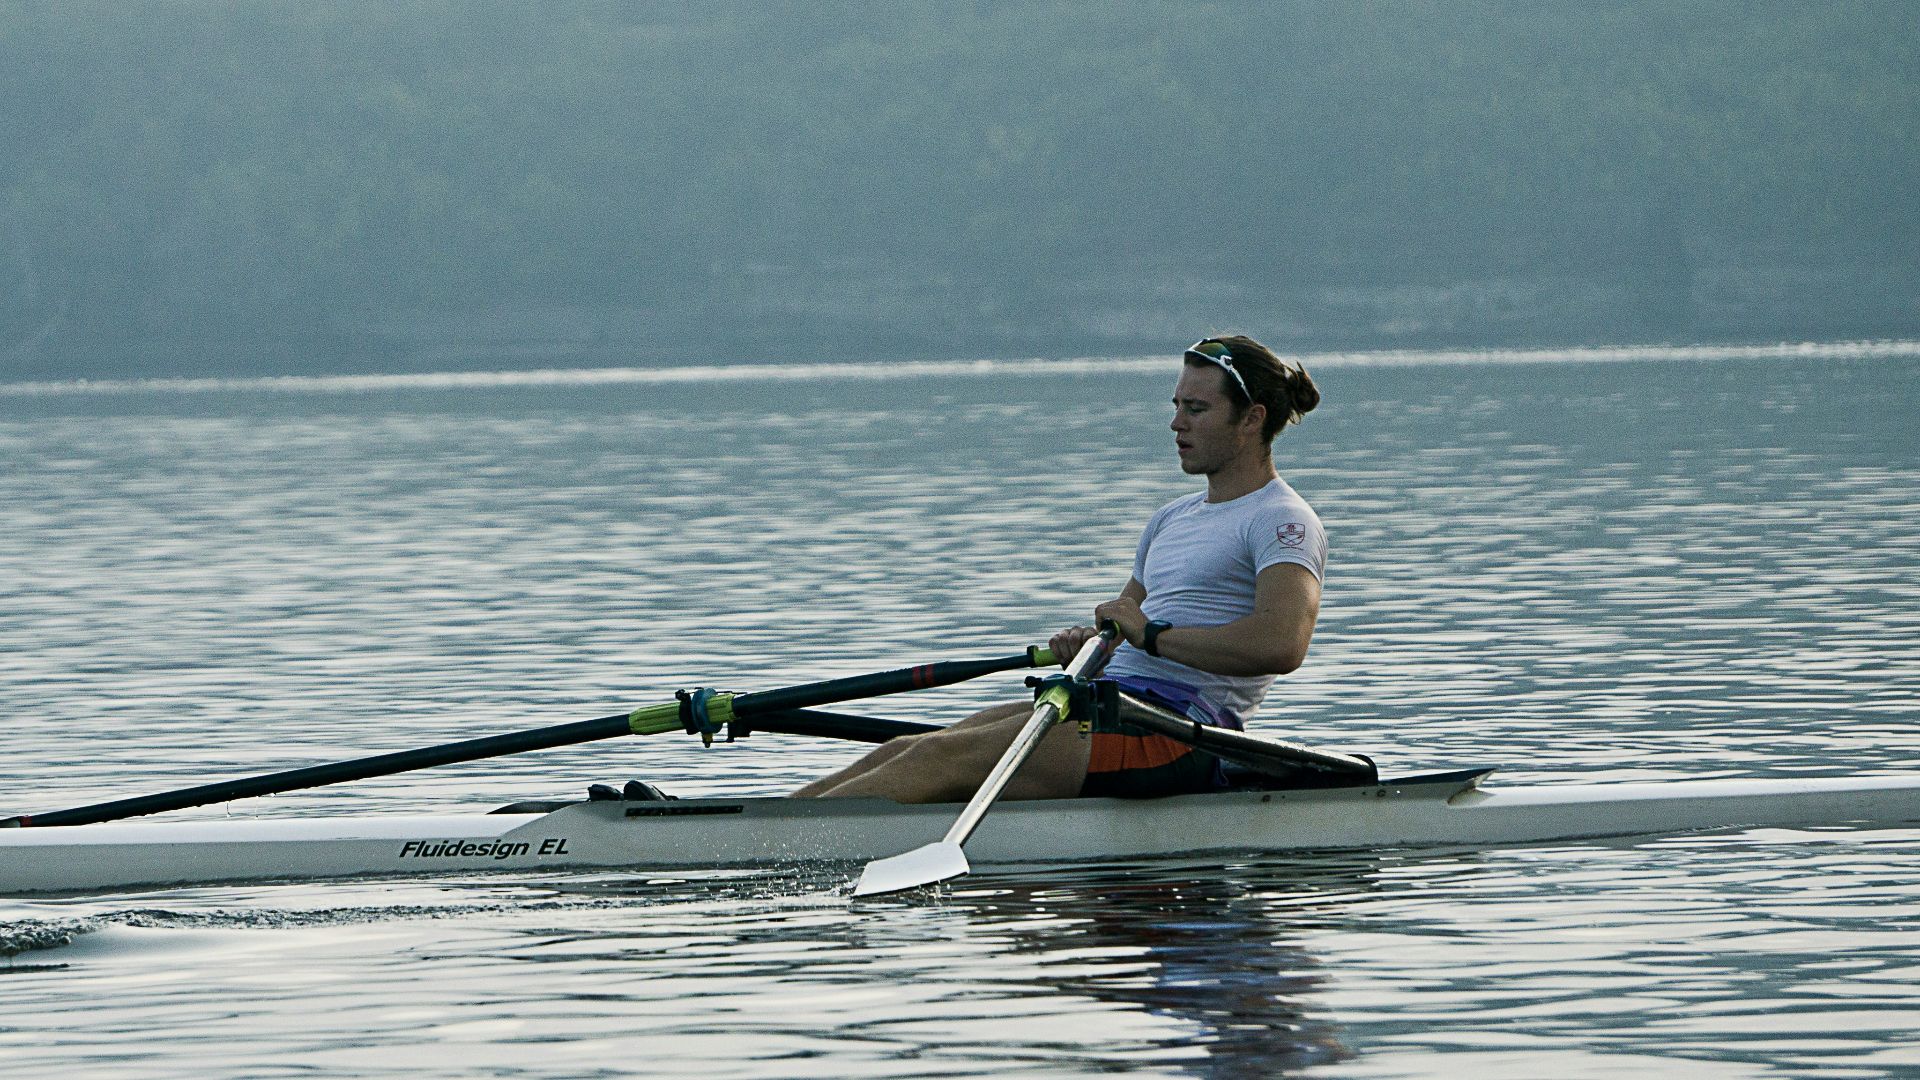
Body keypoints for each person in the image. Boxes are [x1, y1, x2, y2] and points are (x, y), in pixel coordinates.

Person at [793, 334, 1324, 803]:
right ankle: (756, 833)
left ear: (1252, 418)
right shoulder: (1171, 518)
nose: (1176, 423)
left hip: (1177, 730)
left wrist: (1152, 636)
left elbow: (1281, 646)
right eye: (1177, 405)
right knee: (915, 747)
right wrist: (1091, 643)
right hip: (1105, 700)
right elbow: (1123, 625)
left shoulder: (1281, 520)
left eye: (1197, 409)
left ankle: (769, 851)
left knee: (937, 763)